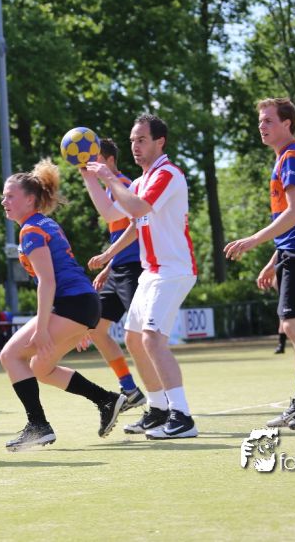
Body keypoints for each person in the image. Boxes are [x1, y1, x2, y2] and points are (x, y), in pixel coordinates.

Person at [82, 114, 199, 440]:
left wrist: (108, 177)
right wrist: (88, 176)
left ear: (160, 142)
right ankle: (158, 409)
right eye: (132, 140)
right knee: (133, 339)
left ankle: (182, 416)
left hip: (173, 270)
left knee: (151, 339)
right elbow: (113, 214)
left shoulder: (167, 174)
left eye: (142, 140)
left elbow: (137, 208)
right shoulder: (141, 180)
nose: (135, 146)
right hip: (152, 271)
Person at [0, 158, 126, 451]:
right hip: (83, 304)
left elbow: (48, 282)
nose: (4, 201)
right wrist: (78, 326)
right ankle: (106, 400)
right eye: (4, 196)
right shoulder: (46, 224)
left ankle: (38, 426)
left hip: (72, 304)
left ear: (30, 200)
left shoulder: (31, 231)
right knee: (41, 368)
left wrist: (43, 329)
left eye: (10, 196)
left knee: (10, 356)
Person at [224, 97, 295, 430]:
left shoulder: (293, 158)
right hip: (294, 250)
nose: (262, 126)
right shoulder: (285, 158)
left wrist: (253, 240)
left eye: (269, 120)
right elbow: (293, 219)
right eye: (260, 121)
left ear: (287, 123)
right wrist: (274, 260)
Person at [81, 137, 151, 413]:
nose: (91, 164)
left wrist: (108, 257)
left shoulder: (124, 185)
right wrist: (109, 266)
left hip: (134, 268)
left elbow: (135, 229)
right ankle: (130, 389)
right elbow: (121, 231)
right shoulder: (110, 189)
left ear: (109, 160)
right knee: (95, 328)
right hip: (118, 269)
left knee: (146, 337)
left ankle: (164, 402)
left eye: (95, 158)